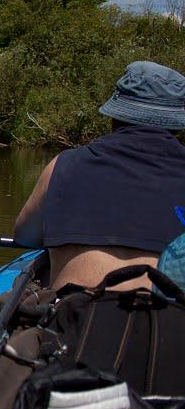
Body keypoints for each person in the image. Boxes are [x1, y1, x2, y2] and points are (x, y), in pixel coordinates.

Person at [14, 61, 185, 290]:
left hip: (75, 320)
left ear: (114, 118)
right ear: (176, 125)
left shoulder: (63, 165)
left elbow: (24, 236)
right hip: (170, 321)